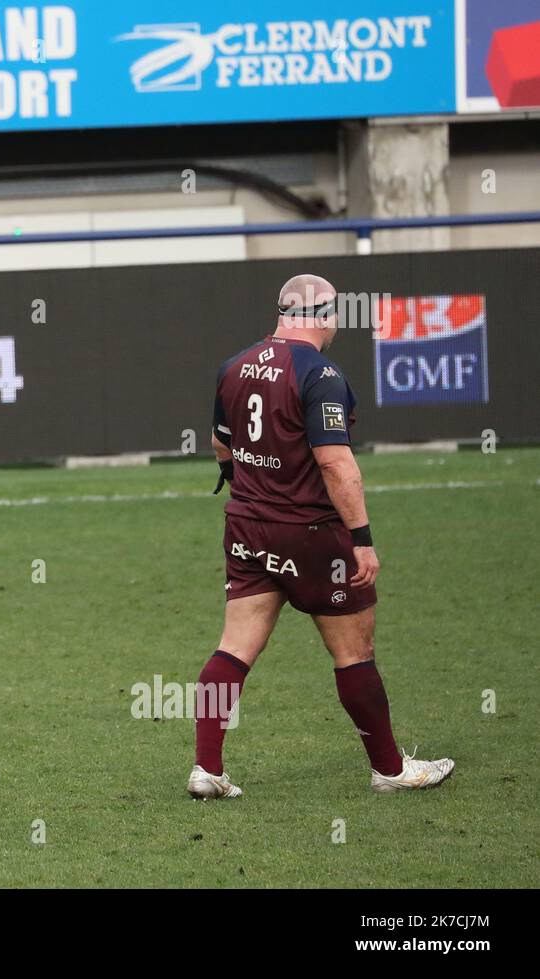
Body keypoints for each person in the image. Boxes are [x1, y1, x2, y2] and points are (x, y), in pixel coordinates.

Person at [190, 273, 454, 799]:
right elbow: (336, 464)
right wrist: (362, 537)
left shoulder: (234, 366)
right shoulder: (321, 373)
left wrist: (246, 483)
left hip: (247, 525)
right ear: (327, 316)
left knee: (233, 648)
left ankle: (207, 769)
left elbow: (221, 446)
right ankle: (390, 769)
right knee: (354, 652)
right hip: (312, 535)